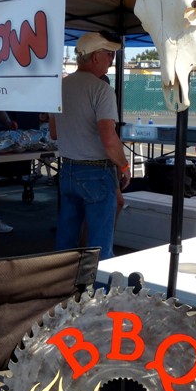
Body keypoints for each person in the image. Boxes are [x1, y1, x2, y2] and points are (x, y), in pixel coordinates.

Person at [50, 31, 131, 260]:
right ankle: (98, 293)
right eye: (109, 55)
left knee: (66, 241)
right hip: (96, 172)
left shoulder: (60, 88)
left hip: (67, 170)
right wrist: (124, 166)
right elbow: (109, 139)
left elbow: (54, 132)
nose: (111, 61)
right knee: (99, 245)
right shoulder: (101, 89)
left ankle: (62, 288)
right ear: (95, 57)